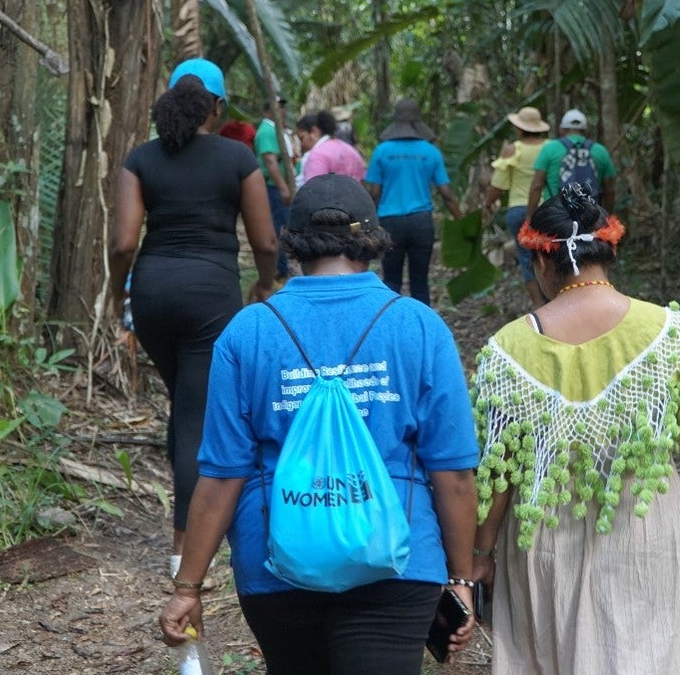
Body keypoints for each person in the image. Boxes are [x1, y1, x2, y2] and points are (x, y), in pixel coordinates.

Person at [159, 174, 480, 675]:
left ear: (293, 244)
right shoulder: (418, 326)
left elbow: (222, 473)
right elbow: (454, 473)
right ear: (372, 240)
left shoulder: (249, 331)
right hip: (399, 566)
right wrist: (461, 576)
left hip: (277, 570)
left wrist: (188, 588)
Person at [470, 183, 680, 675]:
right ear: (608, 251)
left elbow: (500, 475)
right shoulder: (673, 333)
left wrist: (481, 555)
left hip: (545, 550)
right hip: (643, 537)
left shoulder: (505, 352)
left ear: (541, 262)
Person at [108, 58, 278, 578]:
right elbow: (266, 241)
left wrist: (121, 296)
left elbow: (123, 243)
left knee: (185, 400)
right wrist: (265, 281)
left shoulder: (141, 160)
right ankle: (184, 543)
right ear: (217, 106)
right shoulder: (238, 158)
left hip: (154, 294)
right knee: (194, 413)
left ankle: (191, 526)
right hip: (211, 296)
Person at [364, 98, 463, 306]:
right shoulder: (430, 152)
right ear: (418, 122)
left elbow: (374, 192)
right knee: (420, 282)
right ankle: (424, 329)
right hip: (421, 222)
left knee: (391, 280)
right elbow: (446, 193)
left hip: (390, 222)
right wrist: (461, 220)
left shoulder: (382, 151)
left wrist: (368, 223)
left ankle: (390, 328)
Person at [482, 105, 550, 307]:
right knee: (550, 254)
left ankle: (539, 306)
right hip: (549, 210)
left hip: (519, 210)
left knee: (527, 257)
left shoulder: (513, 149)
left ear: (519, 129)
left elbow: (498, 184)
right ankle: (554, 301)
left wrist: (487, 203)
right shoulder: (551, 147)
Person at [525, 109, 616, 223]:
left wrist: (530, 217)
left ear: (561, 129)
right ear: (586, 130)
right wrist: (608, 217)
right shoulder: (600, 151)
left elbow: (537, 186)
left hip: (556, 216)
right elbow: (609, 190)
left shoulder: (550, 148)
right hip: (590, 217)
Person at [255, 97, 297, 281]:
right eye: (277, 108)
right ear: (267, 111)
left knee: (284, 224)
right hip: (273, 187)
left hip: (280, 186)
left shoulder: (278, 130)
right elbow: (270, 161)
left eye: (282, 108)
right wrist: (283, 187)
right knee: (279, 225)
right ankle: (280, 269)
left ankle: (283, 267)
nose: (282, 112)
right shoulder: (266, 131)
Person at [294, 110, 366, 189]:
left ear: (314, 132)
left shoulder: (316, 155)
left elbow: (313, 192)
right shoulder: (352, 151)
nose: (302, 144)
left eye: (302, 138)